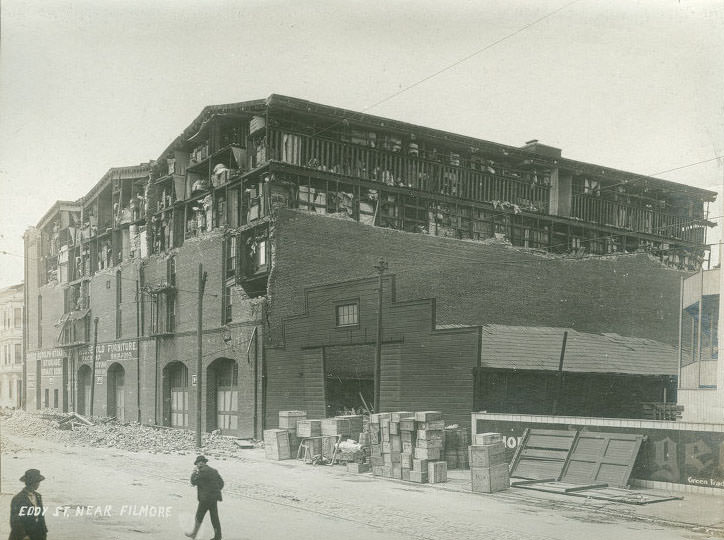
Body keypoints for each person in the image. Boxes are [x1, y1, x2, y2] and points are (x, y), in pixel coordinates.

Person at [186, 455, 224, 540]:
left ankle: (194, 534)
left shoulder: (202, 472)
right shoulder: (214, 471)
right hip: (214, 498)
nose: (197, 466)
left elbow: (193, 482)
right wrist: (213, 490)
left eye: (197, 464)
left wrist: (194, 472)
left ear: (201, 463)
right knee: (214, 517)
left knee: (199, 516)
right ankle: (218, 536)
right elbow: (221, 484)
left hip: (205, 499)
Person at [9, 469, 48, 540]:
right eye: (38, 481)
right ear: (32, 482)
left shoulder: (38, 496)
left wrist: (44, 532)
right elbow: (15, 521)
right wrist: (24, 536)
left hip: (37, 534)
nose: (39, 484)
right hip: (22, 536)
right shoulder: (18, 499)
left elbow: (41, 517)